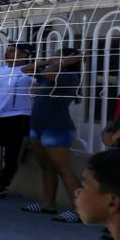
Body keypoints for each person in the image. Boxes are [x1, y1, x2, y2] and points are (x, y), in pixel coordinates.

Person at [21, 46, 84, 222]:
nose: (53, 57)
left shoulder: (69, 76)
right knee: (46, 166)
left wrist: (62, 62)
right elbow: (24, 69)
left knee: (63, 169)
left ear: (69, 60)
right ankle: (47, 203)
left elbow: (49, 74)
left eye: (58, 55)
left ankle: (79, 210)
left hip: (56, 127)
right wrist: (50, 61)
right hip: (38, 125)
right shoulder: (49, 69)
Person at [0, 42, 35, 197]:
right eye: (7, 51)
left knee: (12, 154)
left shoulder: (31, 71)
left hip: (19, 116)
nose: (7, 53)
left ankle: (2, 185)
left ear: (24, 54)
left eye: (12, 51)